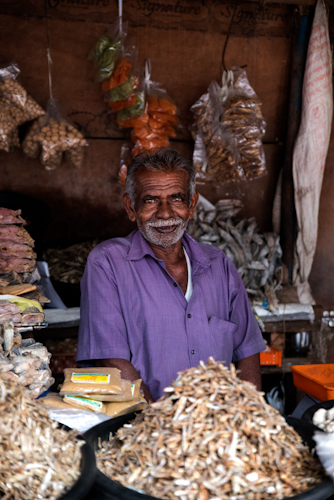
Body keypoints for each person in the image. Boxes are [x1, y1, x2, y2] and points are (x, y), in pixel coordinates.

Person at [76, 148, 266, 403]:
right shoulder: (107, 263)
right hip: (144, 430)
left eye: (176, 198)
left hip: (217, 431)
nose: (165, 213)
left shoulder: (218, 264)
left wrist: (248, 417)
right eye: (151, 200)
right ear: (131, 208)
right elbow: (112, 358)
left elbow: (247, 351)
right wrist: (161, 428)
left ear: (191, 205)